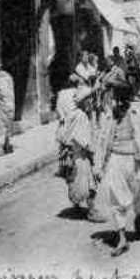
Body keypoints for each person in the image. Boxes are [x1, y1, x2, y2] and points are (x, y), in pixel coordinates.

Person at [95, 69, 140, 257]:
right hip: (115, 160)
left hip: (134, 160)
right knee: (116, 198)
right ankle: (122, 238)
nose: (114, 100)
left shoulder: (136, 113)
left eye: (116, 96)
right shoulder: (109, 116)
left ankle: (138, 218)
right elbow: (102, 141)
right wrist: (98, 166)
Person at [55, 75, 106, 221]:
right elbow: (84, 141)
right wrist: (93, 154)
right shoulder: (81, 116)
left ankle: (76, 207)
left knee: (72, 180)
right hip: (79, 154)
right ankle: (91, 210)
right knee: (91, 182)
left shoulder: (67, 112)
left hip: (68, 152)